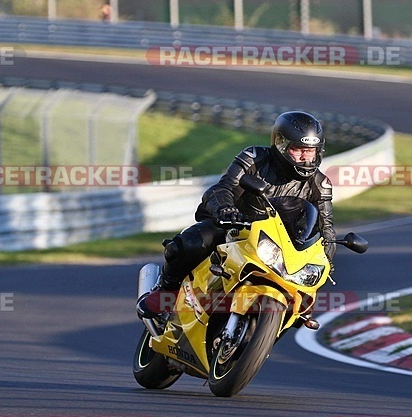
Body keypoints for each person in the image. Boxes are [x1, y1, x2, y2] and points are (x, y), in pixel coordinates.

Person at [136, 111, 336, 328]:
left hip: (278, 247)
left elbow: (326, 227)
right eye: (298, 151)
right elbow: (224, 188)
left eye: (311, 152)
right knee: (192, 242)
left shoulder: (319, 184)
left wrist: (328, 256)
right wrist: (226, 209)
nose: (306, 158)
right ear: (281, 145)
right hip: (234, 228)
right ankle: (166, 291)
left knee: (304, 298)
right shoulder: (253, 158)